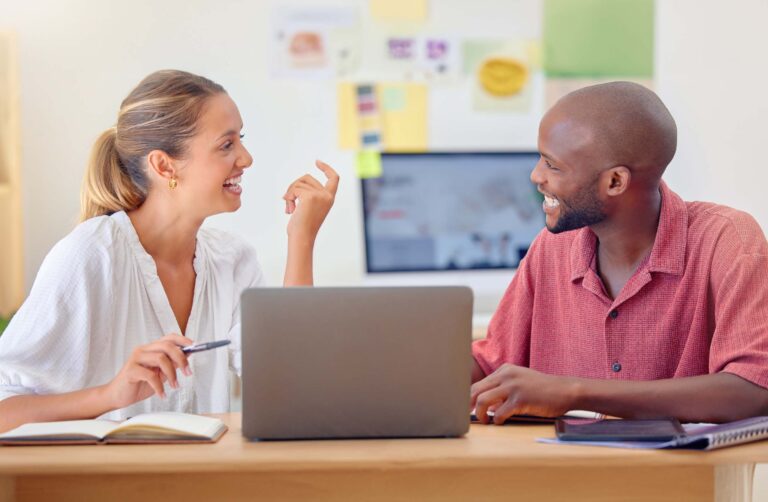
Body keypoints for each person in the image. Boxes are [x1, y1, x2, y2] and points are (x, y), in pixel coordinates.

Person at [0, 70, 339, 432]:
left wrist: (301, 239)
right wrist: (112, 394)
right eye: (227, 145)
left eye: (240, 140)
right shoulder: (91, 255)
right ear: (164, 166)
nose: (246, 158)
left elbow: (292, 381)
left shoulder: (233, 259)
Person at [471, 82, 768, 424]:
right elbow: (490, 366)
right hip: (556, 473)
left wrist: (574, 392)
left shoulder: (727, 241)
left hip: (679, 477)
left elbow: (754, 390)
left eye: (553, 165)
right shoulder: (551, 248)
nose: (536, 176)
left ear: (615, 182)